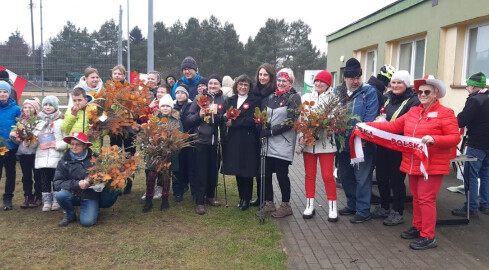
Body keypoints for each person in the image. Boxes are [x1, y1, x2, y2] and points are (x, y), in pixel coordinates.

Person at [367, 75, 460, 250]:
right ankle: (418, 227)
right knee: (418, 198)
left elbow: (454, 138)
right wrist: (368, 126)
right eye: (420, 92)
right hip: (413, 162)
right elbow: (394, 127)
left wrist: (434, 139)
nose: (423, 95)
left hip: (431, 165)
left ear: (436, 94)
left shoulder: (445, 113)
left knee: (426, 199)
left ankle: (428, 236)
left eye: (427, 92)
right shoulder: (413, 111)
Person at [371, 70, 419, 226]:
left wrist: (385, 125)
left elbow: (407, 123)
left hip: (399, 147)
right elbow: (380, 114)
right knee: (382, 177)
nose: (396, 85)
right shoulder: (387, 97)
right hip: (383, 144)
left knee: (396, 180)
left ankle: (397, 211)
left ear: (406, 84)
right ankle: (384, 207)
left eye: (400, 82)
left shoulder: (414, 101)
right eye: (394, 82)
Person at [335, 57, 379, 223]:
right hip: (342, 143)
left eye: (358, 77)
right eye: (352, 78)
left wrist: (362, 135)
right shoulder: (337, 92)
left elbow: (370, 117)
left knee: (362, 177)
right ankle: (351, 204)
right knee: (345, 176)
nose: (356, 81)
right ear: (345, 78)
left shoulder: (368, 92)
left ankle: (363, 210)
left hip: (362, 143)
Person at [259, 68, 301, 218]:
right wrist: (263, 125)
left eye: (285, 80)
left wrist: (271, 131)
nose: (281, 83)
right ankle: (269, 203)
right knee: (267, 174)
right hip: (269, 143)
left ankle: (286, 205)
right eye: (279, 80)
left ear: (290, 81)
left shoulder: (294, 97)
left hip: (283, 142)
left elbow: (290, 121)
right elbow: (264, 115)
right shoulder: (272, 97)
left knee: (282, 175)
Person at [54, 132, 118, 227]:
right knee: (60, 195)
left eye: (77, 144)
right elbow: (57, 183)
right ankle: (70, 214)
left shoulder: (96, 158)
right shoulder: (64, 161)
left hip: (90, 195)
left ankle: (95, 207)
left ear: (84, 146)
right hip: (73, 193)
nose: (74, 147)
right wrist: (77, 184)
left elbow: (104, 174)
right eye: (72, 144)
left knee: (87, 222)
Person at [298, 70, 338, 222]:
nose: (318, 84)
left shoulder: (333, 99)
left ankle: (332, 207)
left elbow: (334, 121)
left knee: (327, 176)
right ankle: (309, 205)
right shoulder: (306, 98)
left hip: (326, 144)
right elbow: (301, 119)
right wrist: (302, 136)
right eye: (316, 81)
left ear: (328, 84)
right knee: (309, 175)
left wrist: (323, 129)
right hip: (309, 144)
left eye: (322, 81)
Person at [186, 74, 225, 215]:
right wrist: (199, 114)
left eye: (216, 83)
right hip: (201, 140)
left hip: (215, 141)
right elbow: (189, 119)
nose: (213, 86)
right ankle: (199, 202)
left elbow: (222, 119)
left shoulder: (222, 99)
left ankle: (210, 197)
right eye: (211, 83)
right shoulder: (199, 98)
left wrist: (224, 118)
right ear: (207, 85)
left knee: (212, 171)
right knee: (201, 172)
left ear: (220, 86)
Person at [452, 72, 489, 217]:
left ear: (473, 86)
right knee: (485, 175)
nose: (467, 87)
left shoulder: (474, 100)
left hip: (477, 143)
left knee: (470, 175)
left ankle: (471, 207)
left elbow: (462, 121)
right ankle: (485, 204)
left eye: (468, 85)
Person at [222, 74, 258, 211]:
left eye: (246, 85)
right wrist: (225, 119)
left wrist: (235, 123)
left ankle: (246, 199)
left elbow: (253, 120)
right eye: (240, 84)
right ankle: (241, 197)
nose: (243, 87)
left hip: (248, 140)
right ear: (236, 86)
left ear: (249, 87)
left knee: (246, 171)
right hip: (233, 140)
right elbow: (225, 116)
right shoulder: (231, 100)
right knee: (237, 170)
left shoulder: (254, 101)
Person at [142, 94, 181, 212]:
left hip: (169, 155)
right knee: (151, 176)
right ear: (159, 107)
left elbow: (179, 138)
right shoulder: (154, 120)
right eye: (163, 106)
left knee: (165, 177)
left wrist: (172, 150)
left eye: (167, 106)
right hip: (155, 154)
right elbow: (148, 134)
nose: (165, 108)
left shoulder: (176, 121)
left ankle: (165, 199)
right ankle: (148, 199)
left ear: (171, 108)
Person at [249, 63, 277, 207]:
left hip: (267, 133)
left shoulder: (274, 92)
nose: (262, 77)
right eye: (260, 74)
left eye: (265, 75)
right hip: (254, 132)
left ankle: (267, 198)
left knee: (265, 169)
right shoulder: (254, 89)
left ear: (271, 76)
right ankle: (259, 196)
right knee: (257, 168)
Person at [34, 96, 67, 212]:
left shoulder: (61, 122)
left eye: (51, 105)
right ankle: (47, 201)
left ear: (56, 107)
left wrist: (57, 145)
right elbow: (33, 140)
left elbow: (66, 139)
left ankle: (56, 200)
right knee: (44, 179)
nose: (48, 107)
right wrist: (30, 140)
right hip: (42, 157)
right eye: (46, 105)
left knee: (56, 179)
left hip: (56, 157)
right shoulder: (38, 122)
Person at [10, 98, 42, 208]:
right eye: (25, 107)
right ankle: (28, 196)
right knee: (26, 176)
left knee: (38, 176)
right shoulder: (20, 121)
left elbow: (41, 138)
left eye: (30, 107)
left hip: (35, 153)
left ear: (35, 109)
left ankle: (38, 196)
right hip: (23, 153)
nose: (27, 109)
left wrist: (32, 140)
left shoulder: (39, 121)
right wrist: (14, 137)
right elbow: (18, 140)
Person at [109, 65, 136, 194]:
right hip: (115, 127)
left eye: (120, 74)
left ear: (124, 76)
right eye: (115, 73)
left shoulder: (130, 89)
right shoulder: (109, 89)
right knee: (116, 153)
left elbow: (135, 106)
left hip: (128, 125)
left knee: (129, 154)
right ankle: (117, 182)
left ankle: (129, 181)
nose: (117, 76)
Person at [62, 87, 103, 154]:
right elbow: (65, 129)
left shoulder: (95, 109)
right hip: (75, 148)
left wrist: (101, 132)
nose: (77, 103)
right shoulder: (70, 112)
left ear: (86, 100)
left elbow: (104, 126)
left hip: (92, 147)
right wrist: (72, 116)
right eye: (74, 100)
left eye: (79, 100)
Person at [0, 81, 21, 210]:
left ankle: (8, 198)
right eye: (0, 92)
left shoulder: (16, 109)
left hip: (10, 147)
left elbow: (20, 126)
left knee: (10, 173)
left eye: (5, 92)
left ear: (9, 93)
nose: (2, 94)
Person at [173, 84, 194, 202]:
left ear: (186, 94)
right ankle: (177, 192)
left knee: (190, 166)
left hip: (189, 140)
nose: (179, 95)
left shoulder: (191, 106)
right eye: (177, 93)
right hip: (176, 142)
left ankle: (193, 191)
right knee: (177, 167)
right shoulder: (172, 107)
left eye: (182, 93)